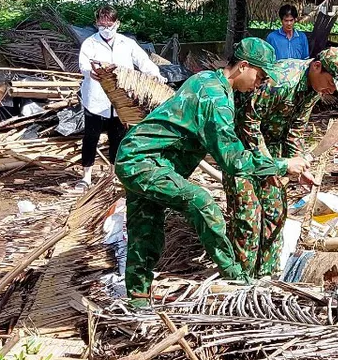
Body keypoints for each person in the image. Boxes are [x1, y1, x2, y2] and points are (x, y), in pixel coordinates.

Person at [115, 38, 310, 301]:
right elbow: (234, 161)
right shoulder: (216, 98)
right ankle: (235, 277)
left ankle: (137, 299)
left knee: (145, 231)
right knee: (201, 202)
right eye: (260, 75)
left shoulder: (208, 79)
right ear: (243, 66)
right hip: (143, 161)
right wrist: (284, 165)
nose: (260, 83)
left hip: (144, 159)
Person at [228, 47, 338, 277]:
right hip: (243, 153)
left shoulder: (313, 88)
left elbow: (295, 129)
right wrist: (275, 166)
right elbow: (248, 124)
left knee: (275, 214)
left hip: (274, 153)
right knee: (248, 219)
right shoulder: (281, 81)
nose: (330, 90)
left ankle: (266, 275)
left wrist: (297, 165)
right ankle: (242, 278)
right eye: (331, 82)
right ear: (317, 66)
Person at [78, 5, 161, 189]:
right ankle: (86, 177)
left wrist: (155, 74)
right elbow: (83, 65)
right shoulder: (90, 44)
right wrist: (91, 72)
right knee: (91, 137)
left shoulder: (127, 43)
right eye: (102, 25)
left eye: (110, 25)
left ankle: (114, 175)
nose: (106, 29)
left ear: (117, 23)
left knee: (118, 138)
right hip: (96, 99)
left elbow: (144, 62)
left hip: (121, 101)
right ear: (96, 24)